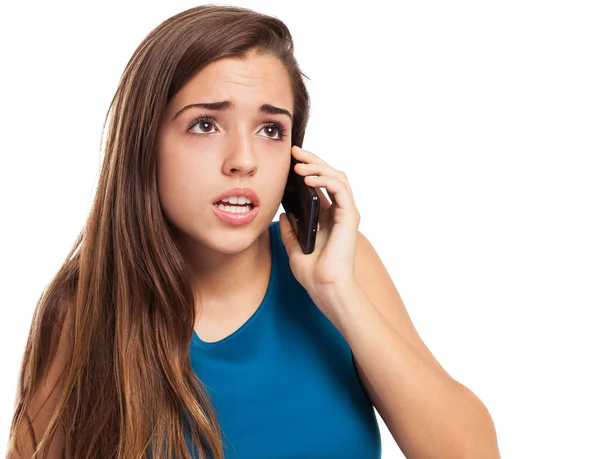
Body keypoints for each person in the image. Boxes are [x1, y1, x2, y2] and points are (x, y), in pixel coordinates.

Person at [6, 5, 500, 459]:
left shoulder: (341, 270)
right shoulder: (84, 309)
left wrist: (338, 294)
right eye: (205, 125)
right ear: (145, 143)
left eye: (270, 130)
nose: (243, 160)